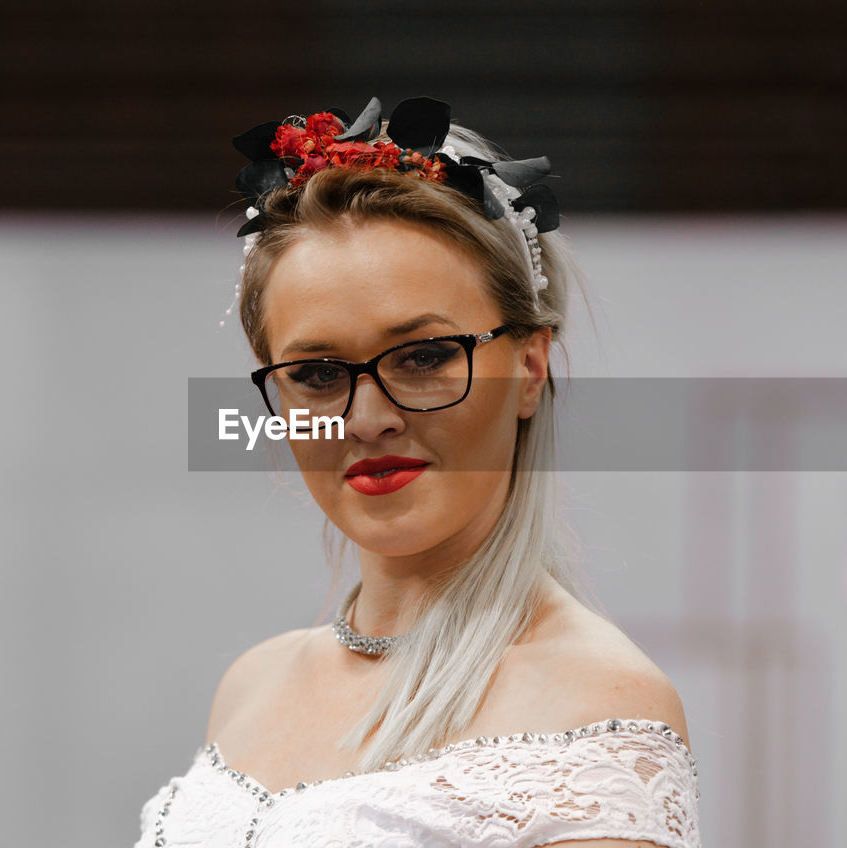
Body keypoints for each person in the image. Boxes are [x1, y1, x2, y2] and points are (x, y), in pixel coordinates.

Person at [137, 96, 702, 848]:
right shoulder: (251, 686)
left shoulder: (598, 704)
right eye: (315, 372)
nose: (369, 417)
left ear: (530, 364)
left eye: (425, 357)